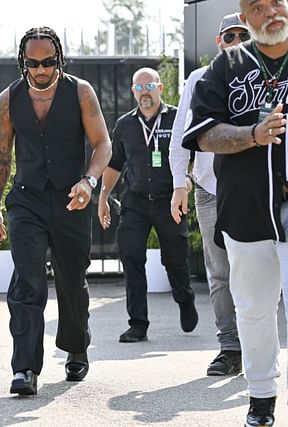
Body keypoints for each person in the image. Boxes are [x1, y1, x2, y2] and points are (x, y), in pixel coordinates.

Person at [0, 26, 111, 395]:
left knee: (71, 280)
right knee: (27, 280)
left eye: (48, 62)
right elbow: (1, 155)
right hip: (26, 199)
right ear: (22, 62)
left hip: (72, 197)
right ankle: (25, 368)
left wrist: (88, 182)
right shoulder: (9, 99)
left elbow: (103, 145)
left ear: (59, 59)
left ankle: (76, 345)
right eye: (33, 63)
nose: (41, 70)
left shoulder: (81, 92)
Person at [182, 1, 288, 424]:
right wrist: (252, 134)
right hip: (247, 206)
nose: (270, 11)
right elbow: (203, 133)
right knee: (255, 307)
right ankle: (261, 398)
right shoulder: (226, 65)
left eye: (276, 1)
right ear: (244, 20)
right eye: (257, 7)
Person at [169, 12, 249, 377]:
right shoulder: (199, 80)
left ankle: (258, 346)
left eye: (242, 36)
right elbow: (179, 136)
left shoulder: (267, 81)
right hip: (209, 189)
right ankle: (230, 347)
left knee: (258, 270)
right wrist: (178, 184)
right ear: (219, 43)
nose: (235, 42)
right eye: (229, 37)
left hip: (254, 189)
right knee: (219, 272)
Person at [98, 67, 198, 344]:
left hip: (170, 201)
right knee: (131, 260)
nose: (144, 93)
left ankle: (185, 299)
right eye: (139, 88)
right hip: (136, 201)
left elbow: (194, 155)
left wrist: (187, 179)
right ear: (133, 92)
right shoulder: (125, 125)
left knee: (176, 261)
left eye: (149, 87)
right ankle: (137, 324)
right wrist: (104, 196)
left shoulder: (178, 118)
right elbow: (115, 164)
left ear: (160, 88)